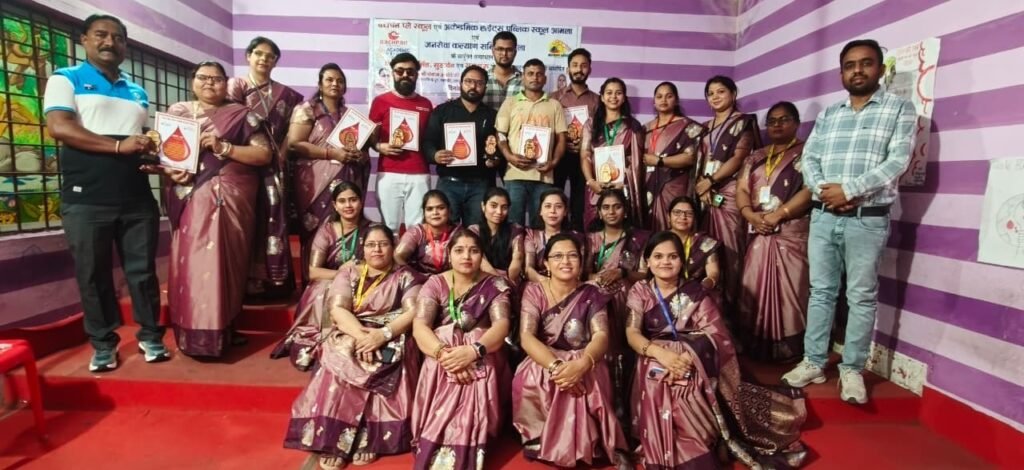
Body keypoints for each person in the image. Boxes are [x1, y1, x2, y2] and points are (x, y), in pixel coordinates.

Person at [782, 39, 915, 405]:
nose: (858, 70)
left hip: (867, 219)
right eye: (850, 65)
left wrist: (850, 190)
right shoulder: (829, 114)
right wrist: (824, 192)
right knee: (820, 292)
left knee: (861, 296)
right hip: (824, 216)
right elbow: (809, 159)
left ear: (880, 69)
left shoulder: (899, 109)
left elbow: (897, 161)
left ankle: (852, 369)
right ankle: (813, 361)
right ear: (841, 72)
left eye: (866, 63)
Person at [43, 14, 167, 371]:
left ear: (125, 45)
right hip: (86, 198)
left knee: (143, 273)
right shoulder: (66, 78)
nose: (110, 42)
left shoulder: (137, 92)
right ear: (84, 39)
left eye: (118, 37)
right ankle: (103, 343)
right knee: (93, 274)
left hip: (137, 197)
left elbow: (139, 141)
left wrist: (158, 157)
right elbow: (59, 127)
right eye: (101, 35)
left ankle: (151, 336)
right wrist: (117, 147)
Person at [627, 231, 808, 469]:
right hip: (653, 354)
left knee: (688, 381)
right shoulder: (640, 291)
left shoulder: (695, 292)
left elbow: (716, 334)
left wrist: (686, 357)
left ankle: (699, 444)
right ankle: (660, 447)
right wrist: (661, 354)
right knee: (655, 377)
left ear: (682, 261)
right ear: (647, 261)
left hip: (693, 357)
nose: (665, 262)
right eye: (658, 256)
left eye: (673, 256)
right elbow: (632, 333)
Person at [284, 224, 426, 469]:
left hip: (392, 333)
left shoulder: (405, 275)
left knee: (388, 356)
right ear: (363, 248)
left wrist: (382, 335)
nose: (377, 250)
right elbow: (338, 309)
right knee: (341, 353)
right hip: (354, 330)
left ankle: (369, 437)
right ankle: (334, 438)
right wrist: (363, 338)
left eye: (383, 244)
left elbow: (413, 312)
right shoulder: (349, 273)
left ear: (393, 247)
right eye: (371, 245)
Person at [164, 61, 273, 357]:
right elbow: (168, 155)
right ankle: (194, 334)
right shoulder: (179, 113)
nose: (209, 83)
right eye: (203, 77)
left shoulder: (243, 115)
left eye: (217, 78)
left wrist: (224, 147)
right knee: (194, 262)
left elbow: (263, 154)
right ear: (192, 81)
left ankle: (225, 328)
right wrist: (171, 171)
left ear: (227, 83)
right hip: (193, 195)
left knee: (229, 262)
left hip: (235, 196)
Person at [513, 234, 630, 469]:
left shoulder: (592, 293)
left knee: (591, 376)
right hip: (546, 357)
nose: (565, 261)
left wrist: (582, 363)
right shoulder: (534, 291)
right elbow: (527, 337)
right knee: (531, 374)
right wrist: (557, 367)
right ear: (546, 263)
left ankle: (595, 441)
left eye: (572, 255)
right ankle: (540, 437)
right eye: (558, 256)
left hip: (584, 358)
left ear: (581, 261)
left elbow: (601, 335)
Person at [410, 229, 512, 470]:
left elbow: (502, 325)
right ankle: (439, 436)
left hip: (482, 352)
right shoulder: (435, 283)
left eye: (474, 251)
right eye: (459, 250)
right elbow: (420, 326)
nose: (466, 256)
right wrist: (445, 355)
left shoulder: (494, 284)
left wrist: (473, 351)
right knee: (443, 337)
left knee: (478, 344)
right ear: (449, 254)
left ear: (482, 255)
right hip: (443, 355)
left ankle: (471, 440)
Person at [228, 36, 304, 299]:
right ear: (248, 56)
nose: (264, 59)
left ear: (275, 62)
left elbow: (292, 131)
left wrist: (280, 155)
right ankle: (243, 282)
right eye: (259, 53)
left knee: (272, 218)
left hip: (275, 166)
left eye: (270, 56)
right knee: (246, 220)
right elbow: (230, 123)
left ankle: (273, 282)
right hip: (243, 163)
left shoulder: (287, 95)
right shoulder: (235, 86)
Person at [737, 102, 811, 363]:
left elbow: (811, 189)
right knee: (754, 284)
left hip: (790, 231)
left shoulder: (808, 153)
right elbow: (742, 189)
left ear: (796, 123)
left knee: (792, 289)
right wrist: (749, 214)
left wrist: (779, 214)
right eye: (772, 121)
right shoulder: (755, 157)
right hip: (757, 228)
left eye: (784, 119)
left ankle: (790, 347)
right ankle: (757, 344)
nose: (777, 125)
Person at [272, 182, 372, 369]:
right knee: (325, 288)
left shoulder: (372, 230)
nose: (348, 205)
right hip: (329, 281)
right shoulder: (327, 231)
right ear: (335, 205)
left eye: (353, 200)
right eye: (342, 201)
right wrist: (343, 273)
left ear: (361, 202)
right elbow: (313, 272)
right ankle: (324, 339)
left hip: (363, 282)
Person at [286, 63, 370, 285]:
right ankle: (312, 283)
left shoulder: (350, 116)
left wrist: (359, 155)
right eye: (330, 80)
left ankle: (343, 281)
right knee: (314, 229)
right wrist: (332, 153)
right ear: (320, 84)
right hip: (315, 183)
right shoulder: (307, 110)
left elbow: (361, 149)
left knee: (343, 229)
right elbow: (295, 144)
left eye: (340, 81)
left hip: (345, 181)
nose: (335, 84)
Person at [694, 75, 761, 320]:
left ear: (734, 93)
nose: (715, 97)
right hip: (705, 195)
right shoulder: (705, 127)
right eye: (710, 93)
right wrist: (703, 186)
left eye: (721, 91)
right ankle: (708, 311)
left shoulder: (742, 123)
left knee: (731, 252)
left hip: (729, 192)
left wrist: (711, 181)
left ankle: (733, 315)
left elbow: (739, 158)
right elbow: (699, 161)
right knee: (705, 250)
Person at [585, 189, 649, 424]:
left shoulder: (639, 239)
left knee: (626, 349)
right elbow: (583, 273)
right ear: (599, 212)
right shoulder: (590, 239)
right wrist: (599, 278)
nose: (611, 212)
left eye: (617, 207)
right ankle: (605, 401)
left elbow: (645, 274)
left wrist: (622, 273)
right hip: (596, 297)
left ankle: (629, 402)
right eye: (606, 207)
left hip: (628, 297)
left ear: (625, 210)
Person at [423, 65, 498, 227]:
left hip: (481, 184)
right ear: (460, 83)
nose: (473, 86)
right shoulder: (442, 111)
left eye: (479, 83)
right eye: (468, 81)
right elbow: (428, 142)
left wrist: (494, 160)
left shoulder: (493, 116)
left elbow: (498, 149)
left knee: (477, 232)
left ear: (485, 87)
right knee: (446, 230)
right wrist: (435, 155)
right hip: (449, 182)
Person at [495, 58, 568, 226]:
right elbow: (500, 134)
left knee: (541, 225)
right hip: (515, 174)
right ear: (523, 77)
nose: (535, 77)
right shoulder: (510, 103)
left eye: (539, 74)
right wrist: (509, 156)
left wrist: (554, 162)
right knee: (513, 225)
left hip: (544, 176)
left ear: (545, 79)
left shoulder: (554, 105)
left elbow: (562, 138)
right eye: (530, 74)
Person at [369, 52, 434, 232]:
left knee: (417, 227)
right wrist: (379, 146)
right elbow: (371, 137)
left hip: (419, 173)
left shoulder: (426, 104)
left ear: (416, 75)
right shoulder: (380, 101)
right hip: (388, 172)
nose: (405, 75)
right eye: (400, 71)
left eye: (410, 72)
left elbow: (431, 139)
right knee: (389, 228)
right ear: (393, 73)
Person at [581, 77, 646, 229]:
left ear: (624, 98)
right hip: (596, 187)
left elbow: (637, 163)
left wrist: (624, 183)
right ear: (602, 97)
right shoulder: (591, 124)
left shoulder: (632, 126)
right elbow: (585, 155)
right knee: (595, 231)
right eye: (609, 93)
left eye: (618, 93)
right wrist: (591, 181)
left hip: (622, 188)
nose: (613, 97)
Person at [644, 82, 706, 231]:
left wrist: (660, 161)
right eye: (659, 96)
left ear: (676, 100)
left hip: (674, 184)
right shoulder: (645, 128)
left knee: (676, 224)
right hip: (648, 186)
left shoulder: (688, 127)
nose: (663, 100)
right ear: (654, 101)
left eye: (669, 96)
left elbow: (691, 157)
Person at [550, 48, 600, 231]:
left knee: (580, 201)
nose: (579, 69)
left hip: (584, 158)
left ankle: (577, 234)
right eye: (575, 65)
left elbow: (600, 133)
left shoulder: (598, 101)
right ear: (568, 68)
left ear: (590, 69)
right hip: (559, 155)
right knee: (554, 196)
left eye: (583, 66)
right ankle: (555, 234)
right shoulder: (554, 98)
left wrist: (587, 143)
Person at [524, 188, 584, 283]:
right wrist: (547, 283)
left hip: (569, 284)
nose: (553, 211)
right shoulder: (532, 235)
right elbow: (529, 269)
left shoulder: (576, 237)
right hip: (539, 283)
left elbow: (579, 270)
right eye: (548, 206)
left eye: (558, 207)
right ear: (540, 211)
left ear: (565, 211)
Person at [394, 190, 460, 275]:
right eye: (429, 209)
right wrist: (412, 276)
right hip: (419, 280)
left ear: (449, 210)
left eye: (441, 208)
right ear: (424, 213)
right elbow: (398, 256)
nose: (435, 213)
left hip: (450, 279)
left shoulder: (458, 233)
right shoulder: (417, 232)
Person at [468, 187, 524, 283]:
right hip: (481, 279)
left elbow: (517, 259)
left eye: (504, 207)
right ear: (483, 206)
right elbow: (482, 262)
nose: (499, 212)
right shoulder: (474, 231)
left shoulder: (515, 229)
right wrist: (499, 283)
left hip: (510, 279)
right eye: (493, 206)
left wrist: (507, 283)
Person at [666, 196, 720, 292]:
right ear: (668, 217)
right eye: (677, 212)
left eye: (689, 213)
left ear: (694, 218)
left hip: (695, 291)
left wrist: (703, 286)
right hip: (663, 290)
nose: (683, 217)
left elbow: (713, 273)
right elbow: (645, 271)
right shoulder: (658, 241)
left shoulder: (705, 242)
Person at [483, 31, 522, 111]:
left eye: (509, 50)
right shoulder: (482, 79)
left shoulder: (525, 81)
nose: (504, 54)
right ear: (493, 51)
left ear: (515, 52)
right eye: (500, 49)